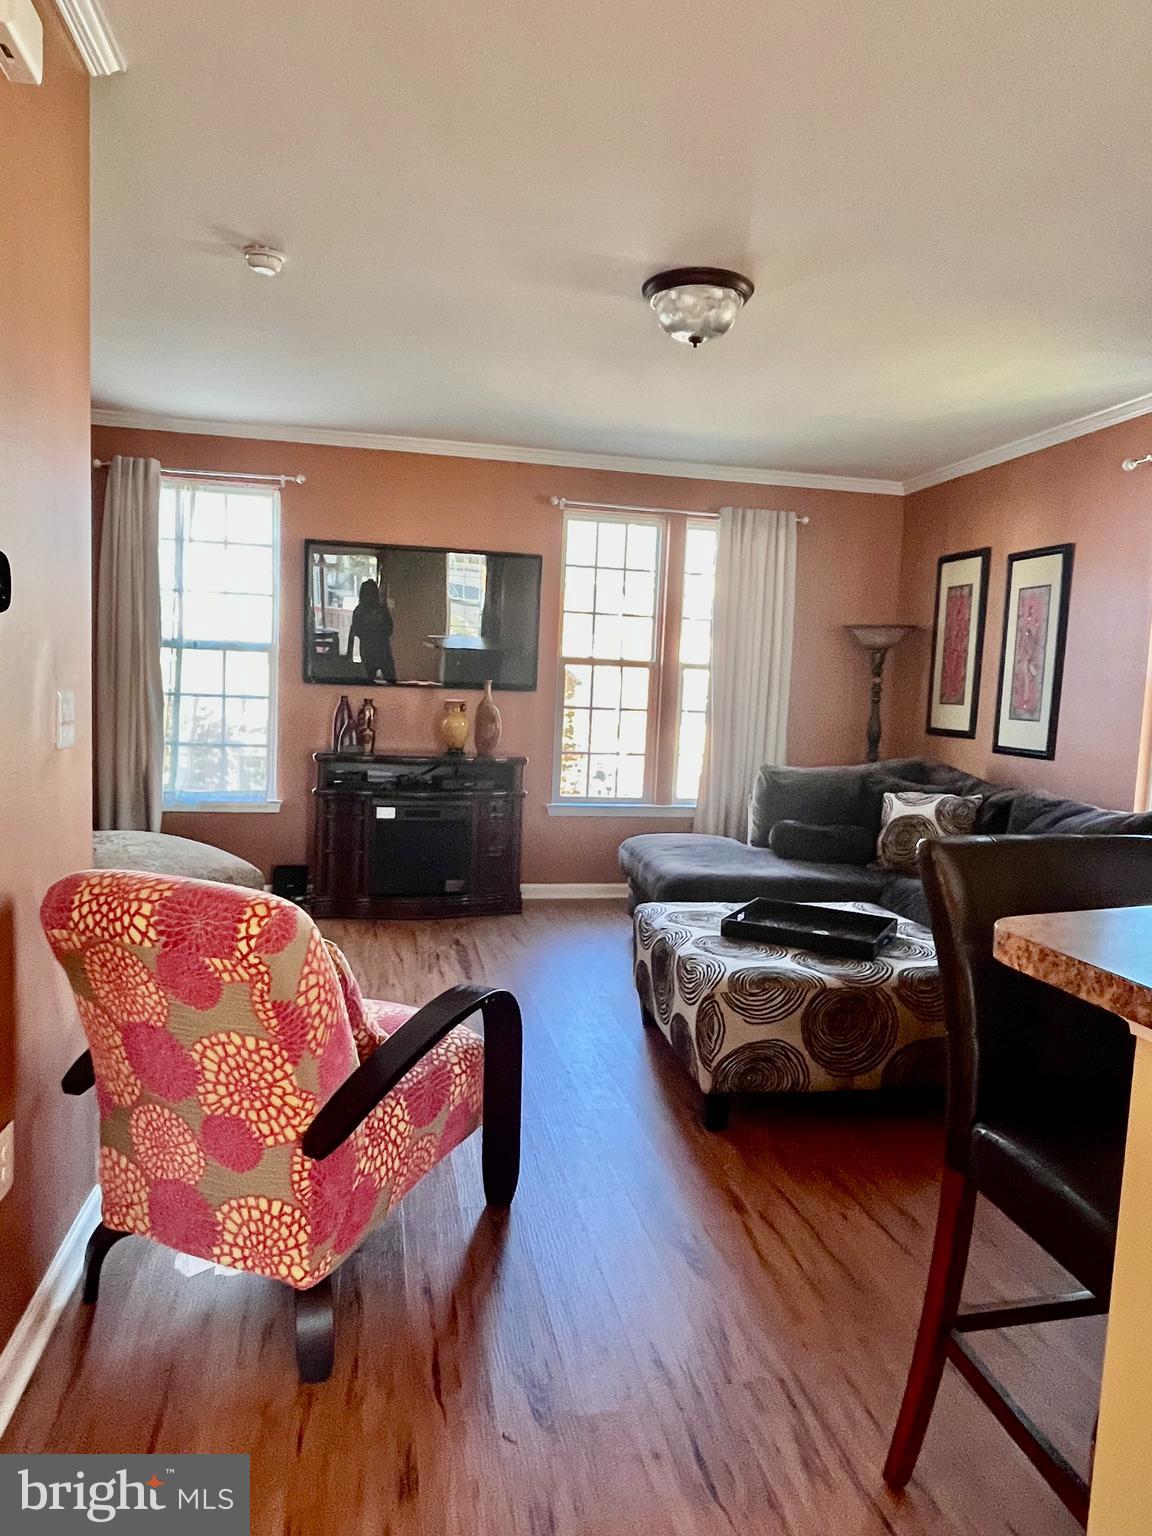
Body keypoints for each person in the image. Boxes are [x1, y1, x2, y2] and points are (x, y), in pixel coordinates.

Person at [346, 578, 396, 683]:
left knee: (374, 682)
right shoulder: (363, 610)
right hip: (375, 650)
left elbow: (389, 629)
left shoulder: (363, 610)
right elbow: (356, 631)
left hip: (377, 650)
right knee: (385, 681)